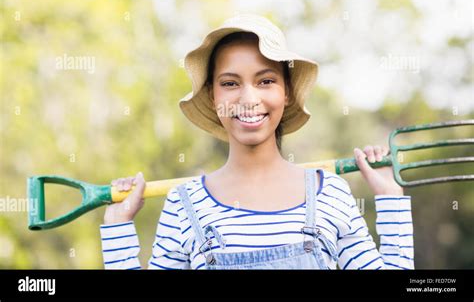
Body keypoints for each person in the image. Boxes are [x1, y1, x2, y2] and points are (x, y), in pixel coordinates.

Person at [100, 14, 414, 270]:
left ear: (286, 92)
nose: (249, 98)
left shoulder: (330, 193)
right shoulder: (184, 205)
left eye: (265, 81)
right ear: (213, 96)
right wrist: (117, 227)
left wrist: (390, 198)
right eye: (230, 83)